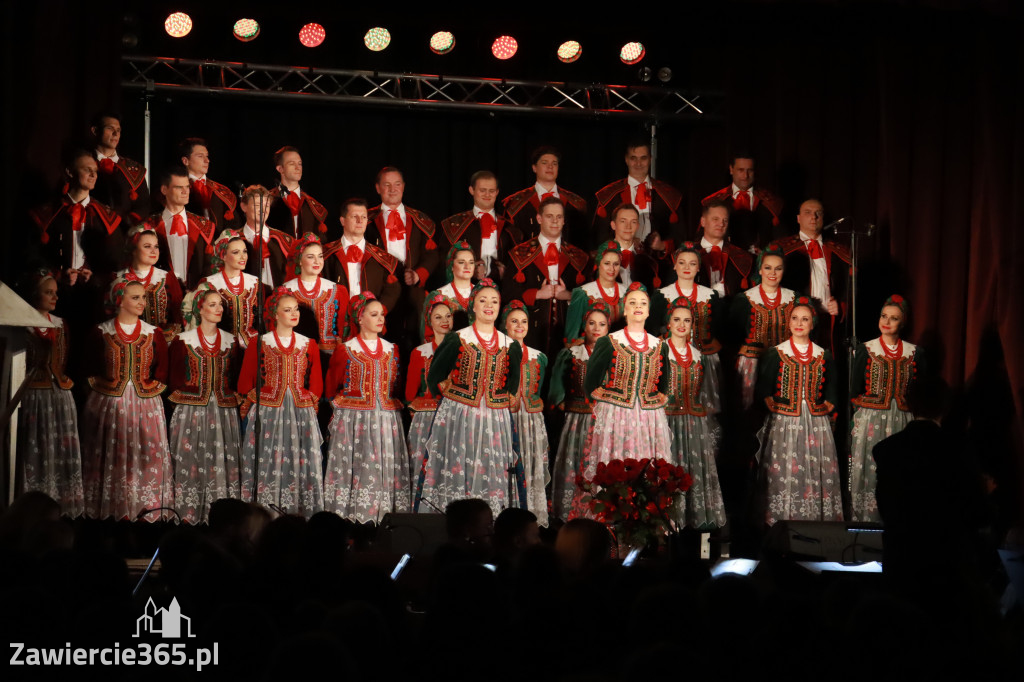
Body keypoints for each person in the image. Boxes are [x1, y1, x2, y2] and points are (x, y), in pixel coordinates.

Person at [417, 279, 522, 518]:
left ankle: (489, 519)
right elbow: (435, 375)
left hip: (495, 419)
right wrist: (452, 398)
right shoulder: (458, 338)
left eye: (494, 301)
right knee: (459, 465)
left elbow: (512, 385)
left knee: (490, 468)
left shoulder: (510, 345)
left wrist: (501, 403)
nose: (489, 305)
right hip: (459, 415)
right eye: (483, 300)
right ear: (472, 306)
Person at [572, 283, 672, 516]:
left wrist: (653, 402)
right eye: (632, 303)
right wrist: (610, 402)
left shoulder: (659, 345)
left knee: (648, 470)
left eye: (643, 304)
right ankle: (611, 518)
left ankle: (645, 517)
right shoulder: (610, 341)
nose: (638, 307)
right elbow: (591, 383)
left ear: (649, 311)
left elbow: (664, 384)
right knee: (617, 468)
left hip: (649, 419)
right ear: (624, 310)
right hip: (618, 417)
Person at [80, 277, 173, 521]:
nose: (142, 301)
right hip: (109, 403)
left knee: (145, 458)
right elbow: (89, 366)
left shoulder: (153, 333)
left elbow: (162, 369)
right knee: (111, 457)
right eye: (135, 297)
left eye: (143, 297)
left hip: (145, 404)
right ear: (119, 300)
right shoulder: (102, 331)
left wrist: (152, 388)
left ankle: (143, 514)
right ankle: (109, 516)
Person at [754, 297, 842, 525]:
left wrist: (829, 403)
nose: (799, 323)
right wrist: (769, 401)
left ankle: (814, 519)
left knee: (813, 465)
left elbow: (832, 385)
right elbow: (764, 385)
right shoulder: (777, 353)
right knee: (784, 470)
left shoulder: (823, 354)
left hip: (815, 422)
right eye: (795, 318)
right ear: (788, 322)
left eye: (805, 319)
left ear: (813, 324)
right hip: (785, 421)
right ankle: (781, 519)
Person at [323, 293, 411, 522]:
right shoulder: (346, 349)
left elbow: (397, 385)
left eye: (382, 314)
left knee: (383, 466)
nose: (380, 319)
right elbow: (331, 387)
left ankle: (383, 516)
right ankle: (353, 518)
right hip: (355, 421)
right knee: (358, 465)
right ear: (359, 319)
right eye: (374, 314)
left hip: (386, 419)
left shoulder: (392, 349)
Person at [237, 287, 324, 518]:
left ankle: (298, 511)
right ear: (275, 314)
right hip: (268, 410)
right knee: (268, 458)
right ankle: (265, 511)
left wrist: (310, 400)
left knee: (299, 458)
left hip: (299, 410)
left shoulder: (308, 343)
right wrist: (256, 397)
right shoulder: (261, 342)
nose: (294, 314)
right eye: (287, 310)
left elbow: (316, 382)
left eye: (296, 309)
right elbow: (246, 381)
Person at [167, 284, 242, 525]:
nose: (219, 308)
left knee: (221, 460)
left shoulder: (231, 341)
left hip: (222, 412)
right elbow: (174, 379)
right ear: (200, 309)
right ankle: (188, 516)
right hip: (192, 411)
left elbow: (235, 376)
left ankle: (220, 518)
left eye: (220, 304)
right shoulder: (183, 340)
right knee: (192, 462)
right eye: (212, 304)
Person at [14, 270, 84, 517]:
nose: (54, 297)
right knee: (36, 448)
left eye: (56, 292)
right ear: (34, 294)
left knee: (58, 449)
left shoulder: (61, 324)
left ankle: (58, 509)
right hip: (33, 396)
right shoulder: (22, 325)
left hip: (59, 396)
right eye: (48, 292)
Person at [849, 295, 920, 522]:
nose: (887, 321)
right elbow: (853, 388)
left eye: (894, 318)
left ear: (903, 322)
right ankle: (866, 518)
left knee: (899, 469)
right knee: (870, 467)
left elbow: (921, 390)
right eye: (884, 316)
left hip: (902, 420)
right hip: (871, 419)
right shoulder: (866, 349)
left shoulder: (915, 353)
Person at [30, 149, 123, 308]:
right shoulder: (48, 214)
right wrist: (57, 275)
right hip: (54, 298)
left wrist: (95, 278)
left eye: (95, 171)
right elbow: (32, 256)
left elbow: (116, 261)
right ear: (69, 172)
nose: (93, 175)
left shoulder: (106, 216)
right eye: (88, 170)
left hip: (94, 299)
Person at [664, 298, 726, 529]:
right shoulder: (659, 350)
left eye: (687, 320)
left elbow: (706, 394)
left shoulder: (699, 355)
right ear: (668, 323)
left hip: (693, 423)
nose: (682, 324)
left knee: (692, 470)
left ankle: (691, 522)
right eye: (677, 319)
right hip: (667, 420)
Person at [503, 196, 590, 360]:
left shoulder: (579, 257)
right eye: (549, 216)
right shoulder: (518, 254)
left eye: (559, 217)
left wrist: (569, 295)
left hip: (567, 334)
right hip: (531, 334)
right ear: (539, 218)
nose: (555, 221)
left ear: (564, 221)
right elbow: (507, 293)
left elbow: (590, 297)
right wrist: (537, 294)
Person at [548, 300, 612, 521]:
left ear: (607, 328)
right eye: (592, 323)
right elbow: (557, 383)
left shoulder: (613, 355)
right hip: (577, 418)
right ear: (584, 326)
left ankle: (597, 513)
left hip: (603, 421)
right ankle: (571, 513)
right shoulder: (572, 353)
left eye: (601, 324)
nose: (596, 328)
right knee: (574, 462)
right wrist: (559, 401)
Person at [365, 167, 441, 338]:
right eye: (387, 185)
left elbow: (432, 254)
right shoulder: (366, 220)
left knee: (413, 338)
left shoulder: (420, 220)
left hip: (412, 289)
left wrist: (418, 274)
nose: (393, 189)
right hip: (380, 291)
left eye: (397, 184)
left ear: (404, 186)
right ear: (378, 188)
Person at [655, 242, 725, 415]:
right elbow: (653, 327)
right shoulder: (662, 295)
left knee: (705, 406)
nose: (687, 267)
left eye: (692, 263)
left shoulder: (710, 295)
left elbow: (719, 328)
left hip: (705, 358)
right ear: (674, 266)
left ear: (699, 268)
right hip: (671, 359)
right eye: (682, 262)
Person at [777, 199, 851, 352]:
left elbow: (850, 286)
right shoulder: (783, 250)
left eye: (818, 213)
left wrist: (841, 304)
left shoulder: (839, 252)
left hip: (828, 323)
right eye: (808, 212)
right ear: (798, 218)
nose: (814, 217)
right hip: (795, 323)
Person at [502, 300, 550, 527]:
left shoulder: (538, 356)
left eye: (524, 321)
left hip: (530, 418)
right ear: (505, 325)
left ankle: (530, 514)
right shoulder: (499, 352)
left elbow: (538, 390)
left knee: (529, 464)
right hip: (506, 417)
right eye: (514, 321)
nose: (519, 326)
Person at [730, 244, 796, 409]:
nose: (772, 273)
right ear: (760, 270)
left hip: (785, 364)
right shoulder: (744, 299)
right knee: (751, 411)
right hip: (752, 366)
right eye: (768, 268)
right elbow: (731, 336)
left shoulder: (794, 298)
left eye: (778, 268)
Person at [593, 138, 683, 245]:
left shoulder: (668, 195)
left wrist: (662, 246)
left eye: (643, 158)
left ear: (650, 159)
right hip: (619, 258)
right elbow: (599, 236)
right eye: (633, 158)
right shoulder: (609, 196)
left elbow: (679, 236)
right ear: (626, 160)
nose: (638, 163)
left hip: (657, 259)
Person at [440, 171, 521, 282]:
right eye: (482, 190)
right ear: (471, 190)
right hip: (466, 288)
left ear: (497, 192)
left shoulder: (509, 228)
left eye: (491, 191)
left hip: (501, 290)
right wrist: (468, 270)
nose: (487, 195)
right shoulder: (454, 225)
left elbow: (518, 262)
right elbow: (444, 261)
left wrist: (506, 272)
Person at [324, 198, 402, 313]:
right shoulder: (325, 254)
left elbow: (393, 290)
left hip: (369, 324)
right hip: (335, 321)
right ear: (343, 221)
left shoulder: (382, 258)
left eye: (364, 217)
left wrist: (377, 312)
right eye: (354, 216)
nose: (360, 221)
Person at [145, 166, 216, 290]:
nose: (185, 191)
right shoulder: (150, 225)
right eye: (179, 187)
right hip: (160, 294)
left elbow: (210, 265)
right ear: (164, 190)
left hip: (195, 297)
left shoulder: (203, 226)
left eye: (187, 187)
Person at [502, 146, 589, 247]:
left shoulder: (577, 204)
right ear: (534, 167)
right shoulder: (514, 204)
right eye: (544, 163)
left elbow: (585, 243)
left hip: (567, 261)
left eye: (554, 163)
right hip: (528, 261)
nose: (550, 167)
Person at [405, 294, 455, 468]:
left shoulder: (463, 350)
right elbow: (410, 394)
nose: (445, 321)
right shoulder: (420, 353)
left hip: (455, 417)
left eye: (448, 316)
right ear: (429, 321)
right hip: (427, 419)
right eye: (438, 317)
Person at [701, 154, 784, 252]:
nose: (745, 176)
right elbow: (701, 239)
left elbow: (782, 240)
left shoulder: (772, 202)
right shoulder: (713, 202)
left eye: (750, 170)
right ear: (731, 169)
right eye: (740, 170)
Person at [283, 233, 348, 357]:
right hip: (296, 356)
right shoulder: (286, 290)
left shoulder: (337, 290)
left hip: (330, 357)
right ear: (300, 261)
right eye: (311, 257)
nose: (317, 261)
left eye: (320, 256)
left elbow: (344, 328)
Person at [201, 230, 266, 348]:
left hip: (251, 345)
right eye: (236, 252)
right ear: (223, 256)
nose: (243, 256)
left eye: (245, 251)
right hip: (221, 345)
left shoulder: (255, 283)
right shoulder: (210, 283)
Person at [116, 225, 183, 336]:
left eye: (156, 246)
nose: (153, 251)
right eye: (147, 246)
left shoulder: (167, 278)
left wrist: (161, 338)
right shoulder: (118, 278)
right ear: (134, 250)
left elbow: (178, 320)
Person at [90, 111, 150, 228]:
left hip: (123, 234)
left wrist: (128, 220)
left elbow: (144, 205)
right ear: (95, 131)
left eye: (118, 130)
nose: (115, 134)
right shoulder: (83, 164)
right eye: (110, 128)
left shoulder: (133, 169)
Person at [267, 145, 331, 239]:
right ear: (280, 169)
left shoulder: (313, 206)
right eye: (292, 164)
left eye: (300, 164)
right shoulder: (267, 201)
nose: (298, 168)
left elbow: (321, 242)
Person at [696, 199, 753, 298]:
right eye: (715, 219)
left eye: (725, 220)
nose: (721, 224)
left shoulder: (742, 257)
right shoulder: (686, 254)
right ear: (703, 221)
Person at [180, 137, 239, 232]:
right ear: (185, 161)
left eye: (207, 156)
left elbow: (234, 226)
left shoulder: (221, 192)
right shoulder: (175, 190)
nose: (207, 160)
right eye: (200, 156)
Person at [239, 185, 293, 288]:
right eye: (258, 205)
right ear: (244, 207)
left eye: (266, 206)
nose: (263, 210)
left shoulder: (284, 240)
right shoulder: (233, 239)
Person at [603, 204, 660, 288]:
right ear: (613, 225)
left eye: (633, 222)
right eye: (623, 221)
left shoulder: (649, 260)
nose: (628, 227)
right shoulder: (601, 257)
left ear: (637, 226)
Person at [569, 240, 623, 329]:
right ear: (598, 264)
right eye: (607, 263)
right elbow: (572, 338)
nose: (612, 269)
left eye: (616, 264)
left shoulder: (626, 292)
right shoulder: (582, 293)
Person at [429, 241, 476, 331]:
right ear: (452, 266)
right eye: (462, 262)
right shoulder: (439, 295)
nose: (467, 266)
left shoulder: (482, 294)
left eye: (471, 262)